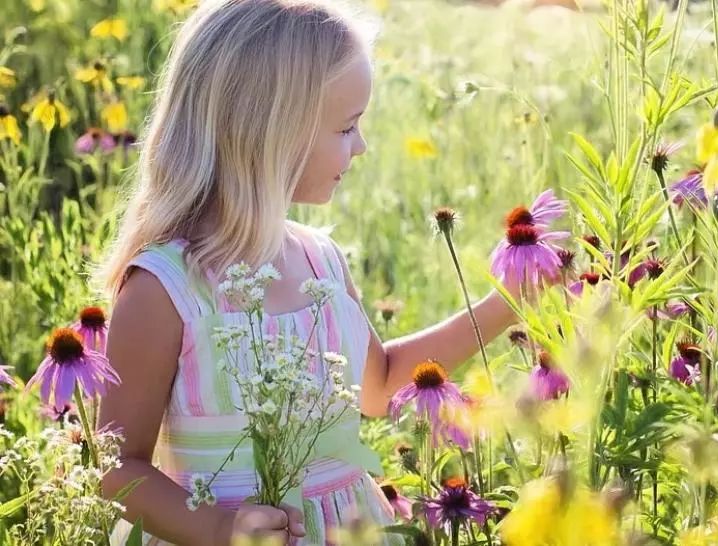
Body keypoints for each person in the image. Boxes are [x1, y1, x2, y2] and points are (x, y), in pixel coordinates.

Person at [94, 1, 523, 544]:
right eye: (347, 127)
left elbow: (380, 386)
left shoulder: (321, 260)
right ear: (269, 131)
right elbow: (116, 467)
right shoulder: (166, 289)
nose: (361, 146)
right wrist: (221, 528)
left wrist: (505, 302)